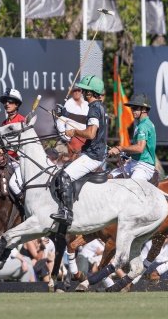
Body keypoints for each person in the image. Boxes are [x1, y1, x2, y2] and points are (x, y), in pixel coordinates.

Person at [52, 75, 108, 224]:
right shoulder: (98, 106)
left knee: (63, 176)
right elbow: (86, 120)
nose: (82, 92)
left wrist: (74, 132)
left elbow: (91, 133)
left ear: (90, 92)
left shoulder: (94, 108)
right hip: (94, 153)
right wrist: (66, 115)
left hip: (93, 155)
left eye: (84, 90)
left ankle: (67, 213)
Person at [108, 93, 157, 182]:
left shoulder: (144, 126)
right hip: (134, 162)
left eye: (135, 108)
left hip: (144, 166)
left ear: (144, 109)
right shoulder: (141, 124)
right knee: (110, 177)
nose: (132, 110)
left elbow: (140, 148)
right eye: (132, 108)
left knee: (132, 185)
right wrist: (126, 155)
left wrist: (120, 148)